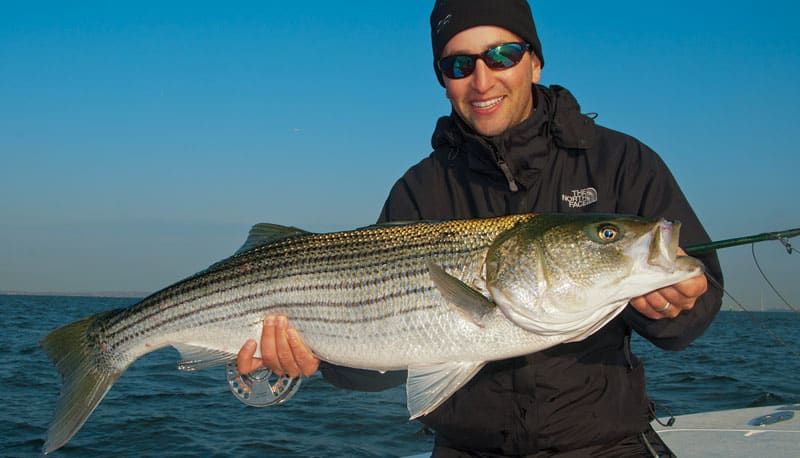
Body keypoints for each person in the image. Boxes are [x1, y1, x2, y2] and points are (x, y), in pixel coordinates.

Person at [237, 1, 724, 456]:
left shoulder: (620, 162)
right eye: (459, 65)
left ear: (535, 62)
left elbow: (688, 321)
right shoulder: (419, 189)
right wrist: (316, 355)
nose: (483, 80)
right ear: (443, 81)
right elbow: (382, 361)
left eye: (503, 55)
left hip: (605, 443)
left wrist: (677, 305)